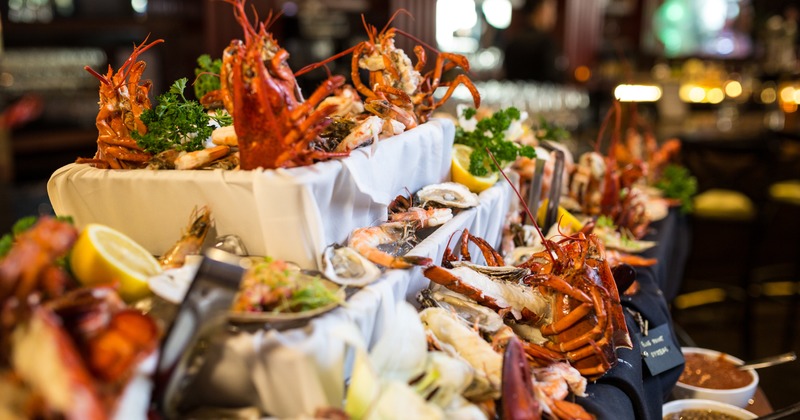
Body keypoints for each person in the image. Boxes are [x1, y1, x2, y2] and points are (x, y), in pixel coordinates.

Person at [502, 0, 565, 83]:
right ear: (538, 10)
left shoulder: (513, 41)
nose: (554, 15)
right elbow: (552, 77)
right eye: (551, 8)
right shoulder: (546, 43)